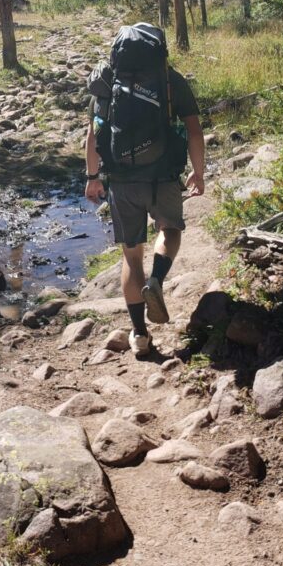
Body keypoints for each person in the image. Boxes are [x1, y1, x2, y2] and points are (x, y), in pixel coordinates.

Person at [84, 22, 205, 358]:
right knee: (170, 230)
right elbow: (194, 131)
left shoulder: (107, 81)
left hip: (121, 181)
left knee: (131, 254)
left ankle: (139, 335)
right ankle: (158, 279)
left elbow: (93, 136)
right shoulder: (170, 79)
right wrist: (198, 172)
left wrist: (93, 176)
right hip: (163, 175)